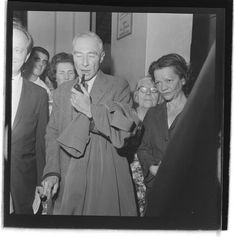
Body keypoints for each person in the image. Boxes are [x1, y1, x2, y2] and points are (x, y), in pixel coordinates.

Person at [41, 32, 138, 216]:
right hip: (68, 176)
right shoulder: (62, 91)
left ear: (101, 57)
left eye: (91, 55)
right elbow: (52, 133)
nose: (84, 63)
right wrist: (52, 172)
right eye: (78, 55)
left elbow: (126, 132)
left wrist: (91, 110)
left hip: (103, 177)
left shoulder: (118, 86)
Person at [137, 53, 189, 212]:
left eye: (168, 81)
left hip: (187, 191)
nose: (162, 88)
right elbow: (142, 147)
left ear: (183, 79)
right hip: (155, 190)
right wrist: (153, 167)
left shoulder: (199, 112)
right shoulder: (153, 113)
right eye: (158, 82)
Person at [10, 22, 49, 214]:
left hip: (21, 188)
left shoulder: (38, 95)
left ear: (26, 57)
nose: (8, 53)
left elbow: (41, 144)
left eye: (17, 50)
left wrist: (41, 181)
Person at [129, 76, 161, 216]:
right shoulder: (127, 118)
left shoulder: (164, 122)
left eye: (154, 90)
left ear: (159, 97)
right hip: (129, 182)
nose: (148, 93)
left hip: (154, 181)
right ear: (136, 96)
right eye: (143, 89)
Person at [22, 46, 52, 113]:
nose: (41, 64)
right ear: (27, 59)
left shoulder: (44, 90)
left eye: (44, 62)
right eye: (37, 60)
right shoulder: (15, 79)